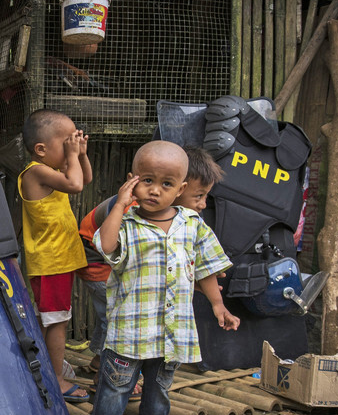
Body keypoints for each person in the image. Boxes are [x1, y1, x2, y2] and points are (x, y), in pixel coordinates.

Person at [89, 141, 238, 415]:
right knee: (117, 384)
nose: (155, 190)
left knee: (160, 384)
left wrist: (217, 305)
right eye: (147, 181)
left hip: (173, 330)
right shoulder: (126, 224)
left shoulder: (192, 224)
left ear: (181, 188)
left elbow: (207, 266)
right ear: (132, 181)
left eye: (167, 184)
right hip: (131, 329)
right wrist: (120, 205)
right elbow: (106, 244)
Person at [77, 146, 226, 398]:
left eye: (205, 198)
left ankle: (98, 361)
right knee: (114, 313)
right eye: (198, 196)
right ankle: (107, 368)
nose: (202, 205)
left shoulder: (177, 219)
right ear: (181, 188)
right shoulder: (134, 211)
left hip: (115, 256)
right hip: (97, 255)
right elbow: (132, 260)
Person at [17, 109, 92, 404]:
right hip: (51, 261)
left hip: (60, 260)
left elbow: (83, 178)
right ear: (41, 149)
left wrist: (80, 154)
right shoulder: (35, 171)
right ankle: (57, 380)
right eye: (67, 142)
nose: (71, 146)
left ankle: (51, 365)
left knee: (55, 318)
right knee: (58, 321)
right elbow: (74, 185)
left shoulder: (53, 170)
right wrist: (73, 157)